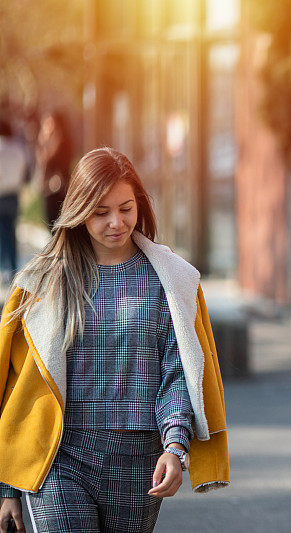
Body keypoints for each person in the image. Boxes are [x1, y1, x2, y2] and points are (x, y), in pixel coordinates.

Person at [0, 148, 229, 533]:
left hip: (139, 462)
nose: (116, 223)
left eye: (126, 208)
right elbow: (17, 386)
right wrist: (8, 485)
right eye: (100, 212)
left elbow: (179, 372)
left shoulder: (172, 279)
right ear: (79, 210)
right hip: (59, 457)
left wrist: (175, 446)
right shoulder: (42, 282)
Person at [0, 118, 29, 283]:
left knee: (2, 234)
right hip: (14, 195)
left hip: (1, 194)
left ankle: (4, 268)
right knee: (11, 232)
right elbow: (25, 171)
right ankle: (12, 268)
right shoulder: (18, 149)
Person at [36, 109, 73, 229]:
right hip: (48, 188)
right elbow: (42, 163)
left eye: (49, 121)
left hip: (59, 189)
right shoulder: (46, 140)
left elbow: (61, 164)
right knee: (51, 224)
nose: (46, 125)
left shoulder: (61, 141)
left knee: (56, 224)